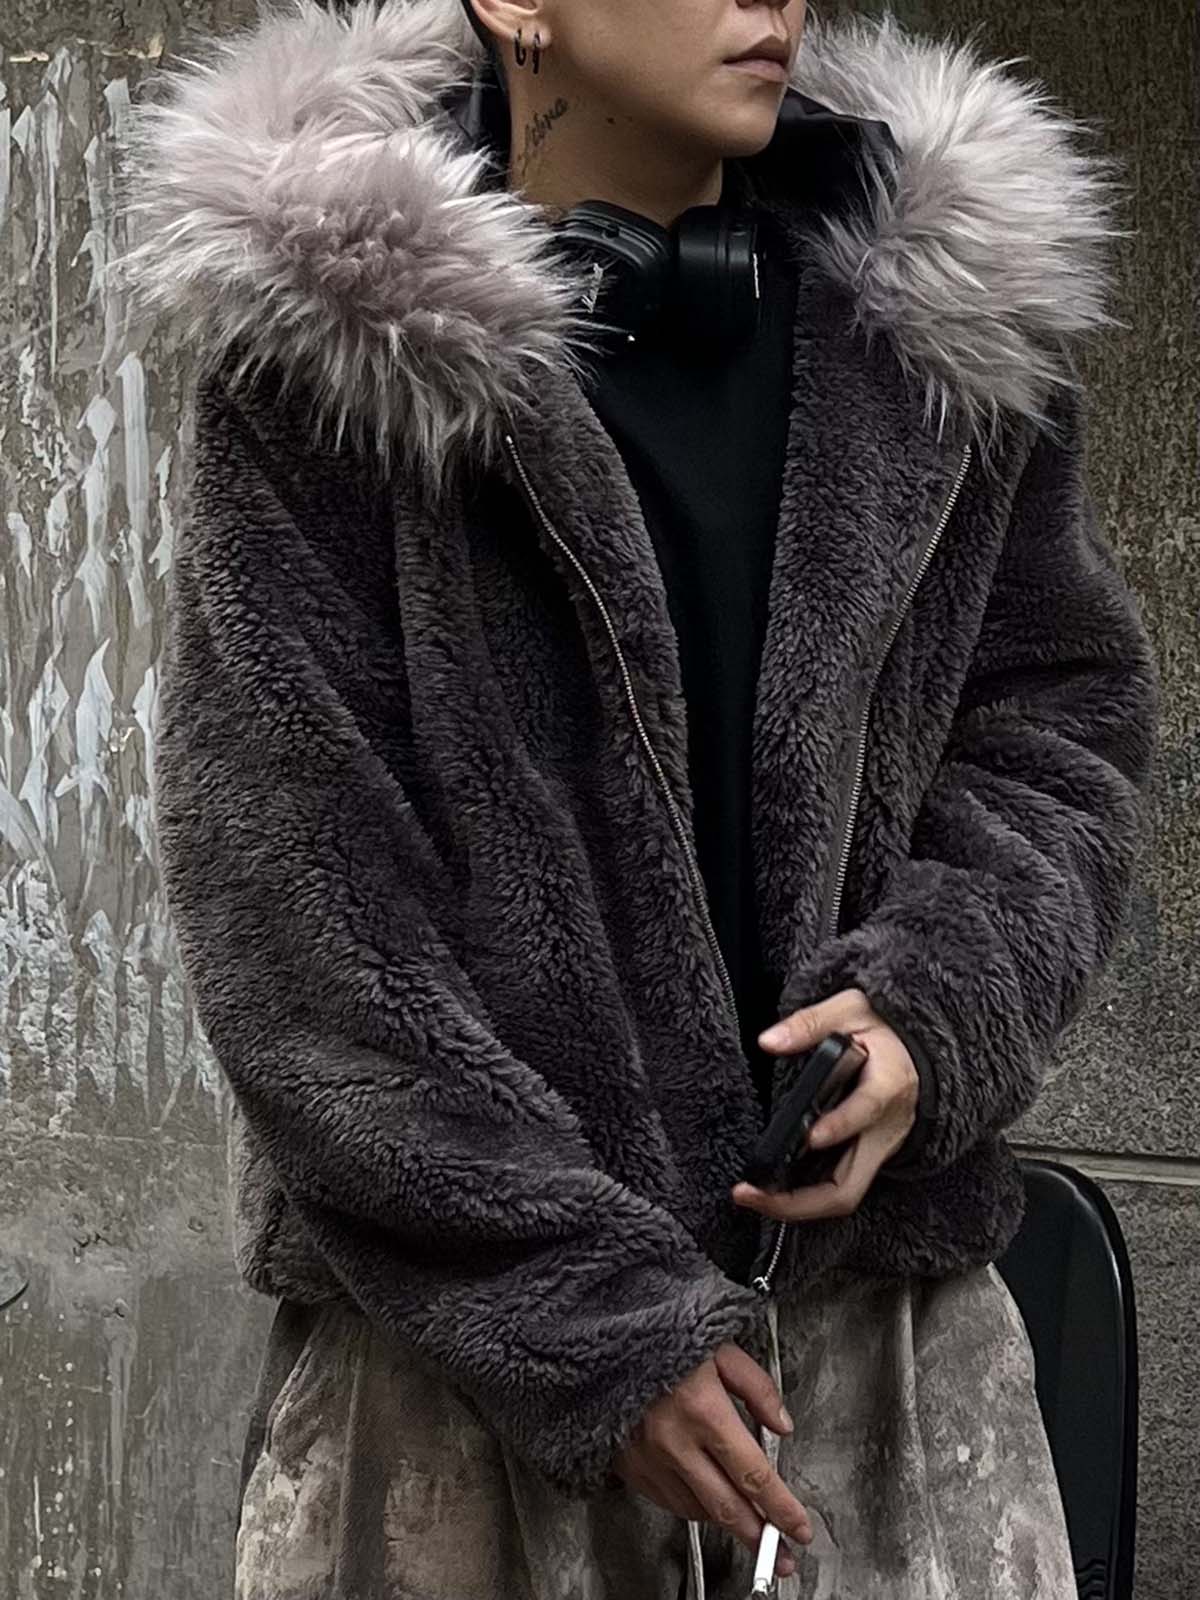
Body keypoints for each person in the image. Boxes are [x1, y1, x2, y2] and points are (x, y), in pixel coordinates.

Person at [109, 0, 1158, 1595]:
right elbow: (297, 904)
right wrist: (586, 1318)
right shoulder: (330, 372)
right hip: (464, 1401)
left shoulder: (943, 333)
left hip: (882, 1379)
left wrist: (931, 1012)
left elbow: (1056, 724)